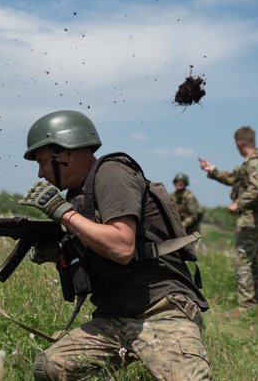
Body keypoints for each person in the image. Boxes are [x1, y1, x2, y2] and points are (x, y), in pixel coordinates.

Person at [19, 110, 211, 381]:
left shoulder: (111, 173)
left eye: (41, 162)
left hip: (162, 311)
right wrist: (58, 252)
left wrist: (63, 213)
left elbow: (121, 248)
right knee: (51, 367)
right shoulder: (79, 196)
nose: (40, 173)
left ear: (65, 154)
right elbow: (96, 253)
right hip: (113, 317)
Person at [198, 126, 258, 311]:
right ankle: (255, 301)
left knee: (242, 260)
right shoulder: (250, 163)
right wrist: (212, 169)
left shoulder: (254, 163)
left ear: (239, 142)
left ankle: (246, 306)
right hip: (255, 217)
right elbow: (233, 178)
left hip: (251, 218)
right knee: (251, 259)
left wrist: (238, 203)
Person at [170, 173, 204, 240]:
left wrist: (182, 226)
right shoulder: (172, 196)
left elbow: (193, 216)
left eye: (181, 182)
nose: (179, 183)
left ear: (185, 183)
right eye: (177, 182)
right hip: (178, 227)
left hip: (190, 228)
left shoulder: (189, 196)